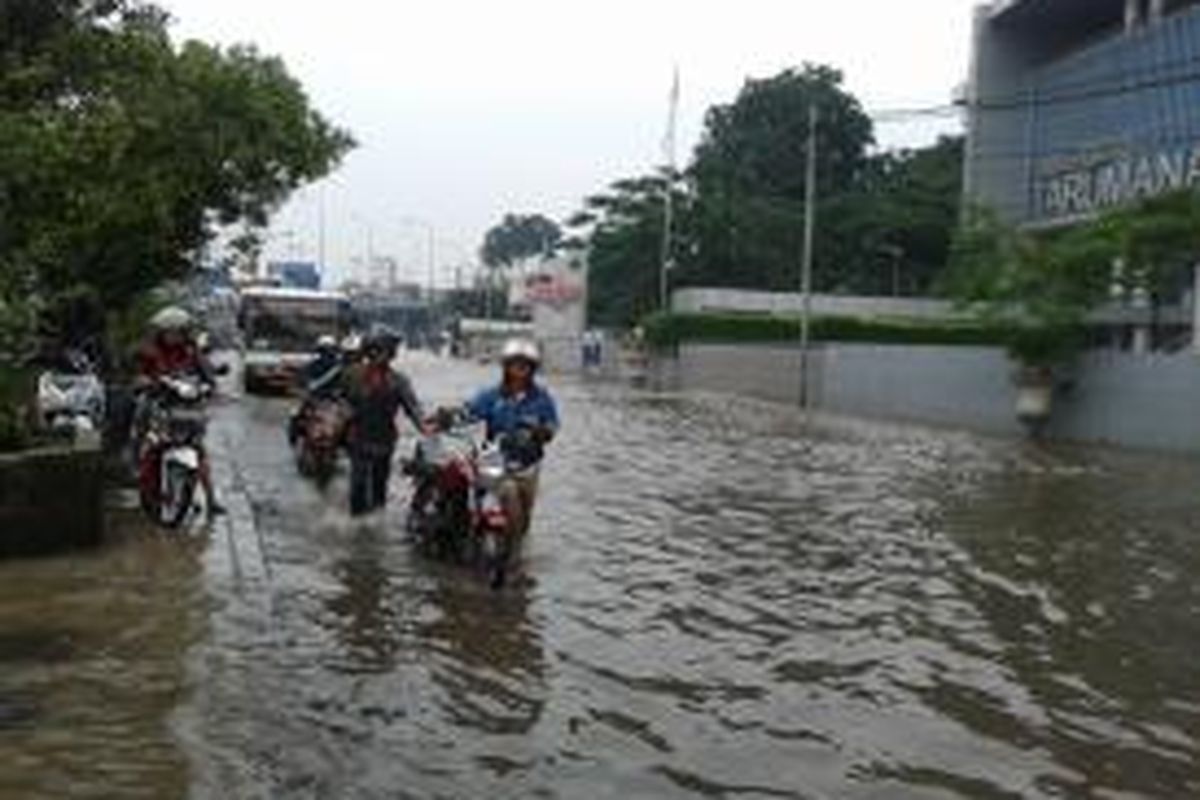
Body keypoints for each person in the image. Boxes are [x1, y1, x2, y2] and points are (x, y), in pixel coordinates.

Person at [463, 339, 559, 541]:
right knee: (500, 497)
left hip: (528, 465)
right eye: (516, 364)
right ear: (506, 366)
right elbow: (469, 412)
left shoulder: (542, 398)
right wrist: (450, 416)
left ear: (532, 369)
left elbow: (552, 425)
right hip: (494, 460)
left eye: (525, 365)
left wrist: (541, 431)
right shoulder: (491, 395)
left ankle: (516, 552)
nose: (520, 369)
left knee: (524, 520)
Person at [135, 306, 225, 517]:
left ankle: (211, 500)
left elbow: (208, 375)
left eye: (177, 331)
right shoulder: (150, 351)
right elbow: (139, 374)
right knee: (148, 439)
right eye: (169, 331)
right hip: (159, 404)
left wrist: (210, 386)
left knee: (199, 451)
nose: (173, 336)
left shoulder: (192, 352)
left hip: (186, 408)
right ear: (161, 332)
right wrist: (146, 382)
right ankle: (137, 468)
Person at [342, 328, 424, 517]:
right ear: (369, 352)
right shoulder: (353, 375)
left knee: (379, 486)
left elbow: (412, 407)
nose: (380, 356)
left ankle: (376, 522)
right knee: (358, 485)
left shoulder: (398, 381)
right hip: (358, 437)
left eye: (386, 352)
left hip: (384, 440)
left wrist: (424, 426)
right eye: (377, 351)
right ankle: (357, 523)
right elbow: (340, 400)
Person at [289, 335, 344, 446]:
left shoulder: (339, 368)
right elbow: (301, 380)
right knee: (295, 413)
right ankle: (294, 439)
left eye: (329, 351)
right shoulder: (312, 366)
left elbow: (344, 385)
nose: (326, 354)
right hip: (315, 400)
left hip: (332, 401)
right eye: (324, 351)